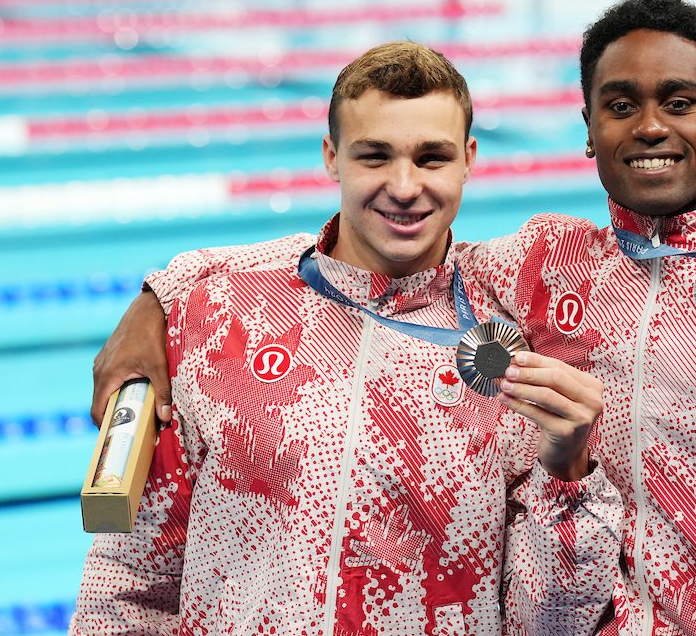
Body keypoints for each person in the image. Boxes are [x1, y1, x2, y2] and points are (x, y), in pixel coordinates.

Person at [93, 0, 696, 634]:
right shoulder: (540, 274)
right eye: (620, 104)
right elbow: (374, 269)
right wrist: (162, 297)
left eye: (681, 101)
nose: (651, 126)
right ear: (587, 128)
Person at [72, 42, 623, 635]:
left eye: (431, 158)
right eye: (375, 156)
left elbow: (548, 626)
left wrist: (569, 479)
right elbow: (133, 575)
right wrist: (160, 295)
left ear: (469, 158)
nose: (405, 186)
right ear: (332, 157)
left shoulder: (513, 353)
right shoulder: (219, 313)